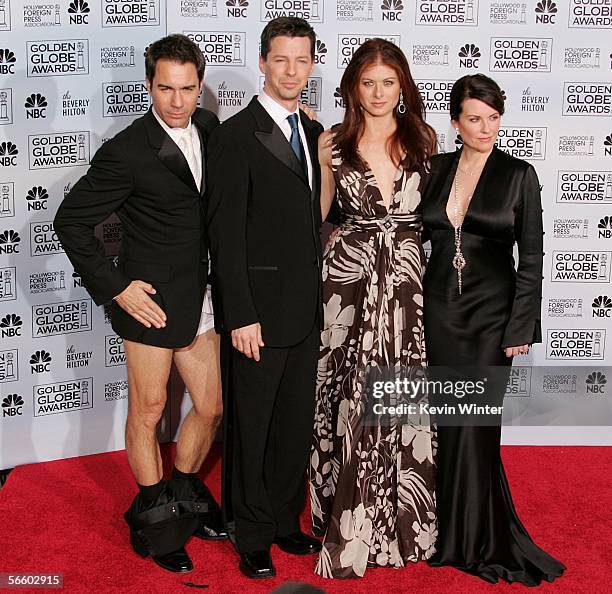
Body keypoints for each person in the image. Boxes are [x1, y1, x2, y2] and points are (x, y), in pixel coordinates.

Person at [53, 34, 227, 574]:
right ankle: (156, 518)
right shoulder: (128, 149)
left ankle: (184, 493)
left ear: (200, 88)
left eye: (187, 89)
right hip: (148, 303)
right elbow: (70, 220)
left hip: (202, 297)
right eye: (165, 88)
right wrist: (116, 286)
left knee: (212, 406)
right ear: (149, 85)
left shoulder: (210, 130)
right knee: (150, 411)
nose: (176, 101)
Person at [422, 74, 565, 585]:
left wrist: (520, 326)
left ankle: (477, 539)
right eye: (475, 118)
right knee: (445, 422)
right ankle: (446, 533)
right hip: (436, 309)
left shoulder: (518, 174)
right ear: (456, 123)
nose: (486, 128)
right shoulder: (434, 169)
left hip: (490, 315)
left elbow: (532, 257)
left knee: (477, 424)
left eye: (494, 117)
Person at [309, 39, 437, 579]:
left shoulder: (424, 140)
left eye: (388, 82)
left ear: (403, 86)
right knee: (345, 392)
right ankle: (344, 513)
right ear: (352, 89)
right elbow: (316, 214)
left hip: (405, 284)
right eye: (368, 83)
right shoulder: (332, 143)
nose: (379, 93)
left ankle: (401, 520)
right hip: (349, 280)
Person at [207, 17, 324, 579]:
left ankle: (282, 519)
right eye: (281, 59)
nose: (292, 71)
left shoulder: (313, 129)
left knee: (293, 424)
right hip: (257, 314)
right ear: (262, 61)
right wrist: (241, 315)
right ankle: (249, 532)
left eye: (302, 60)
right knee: (251, 426)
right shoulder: (234, 135)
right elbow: (225, 236)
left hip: (305, 311)